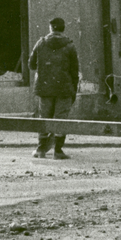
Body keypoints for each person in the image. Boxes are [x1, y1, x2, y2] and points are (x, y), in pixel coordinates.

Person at [29, 17, 80, 159]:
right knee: (61, 119)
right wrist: (73, 89)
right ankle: (57, 151)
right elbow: (74, 71)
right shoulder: (70, 46)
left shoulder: (40, 43)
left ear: (51, 28)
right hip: (64, 89)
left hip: (45, 88)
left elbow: (31, 64)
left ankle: (40, 150)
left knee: (44, 118)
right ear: (63, 29)